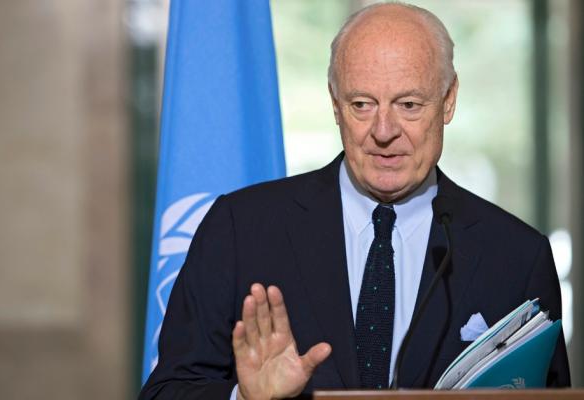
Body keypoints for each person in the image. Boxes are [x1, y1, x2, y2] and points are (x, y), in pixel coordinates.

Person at [139, 2, 571, 399]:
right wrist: (245, 398)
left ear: (448, 100)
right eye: (362, 104)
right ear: (335, 104)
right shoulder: (240, 227)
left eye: (408, 104)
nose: (383, 131)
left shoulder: (517, 256)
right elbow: (166, 392)